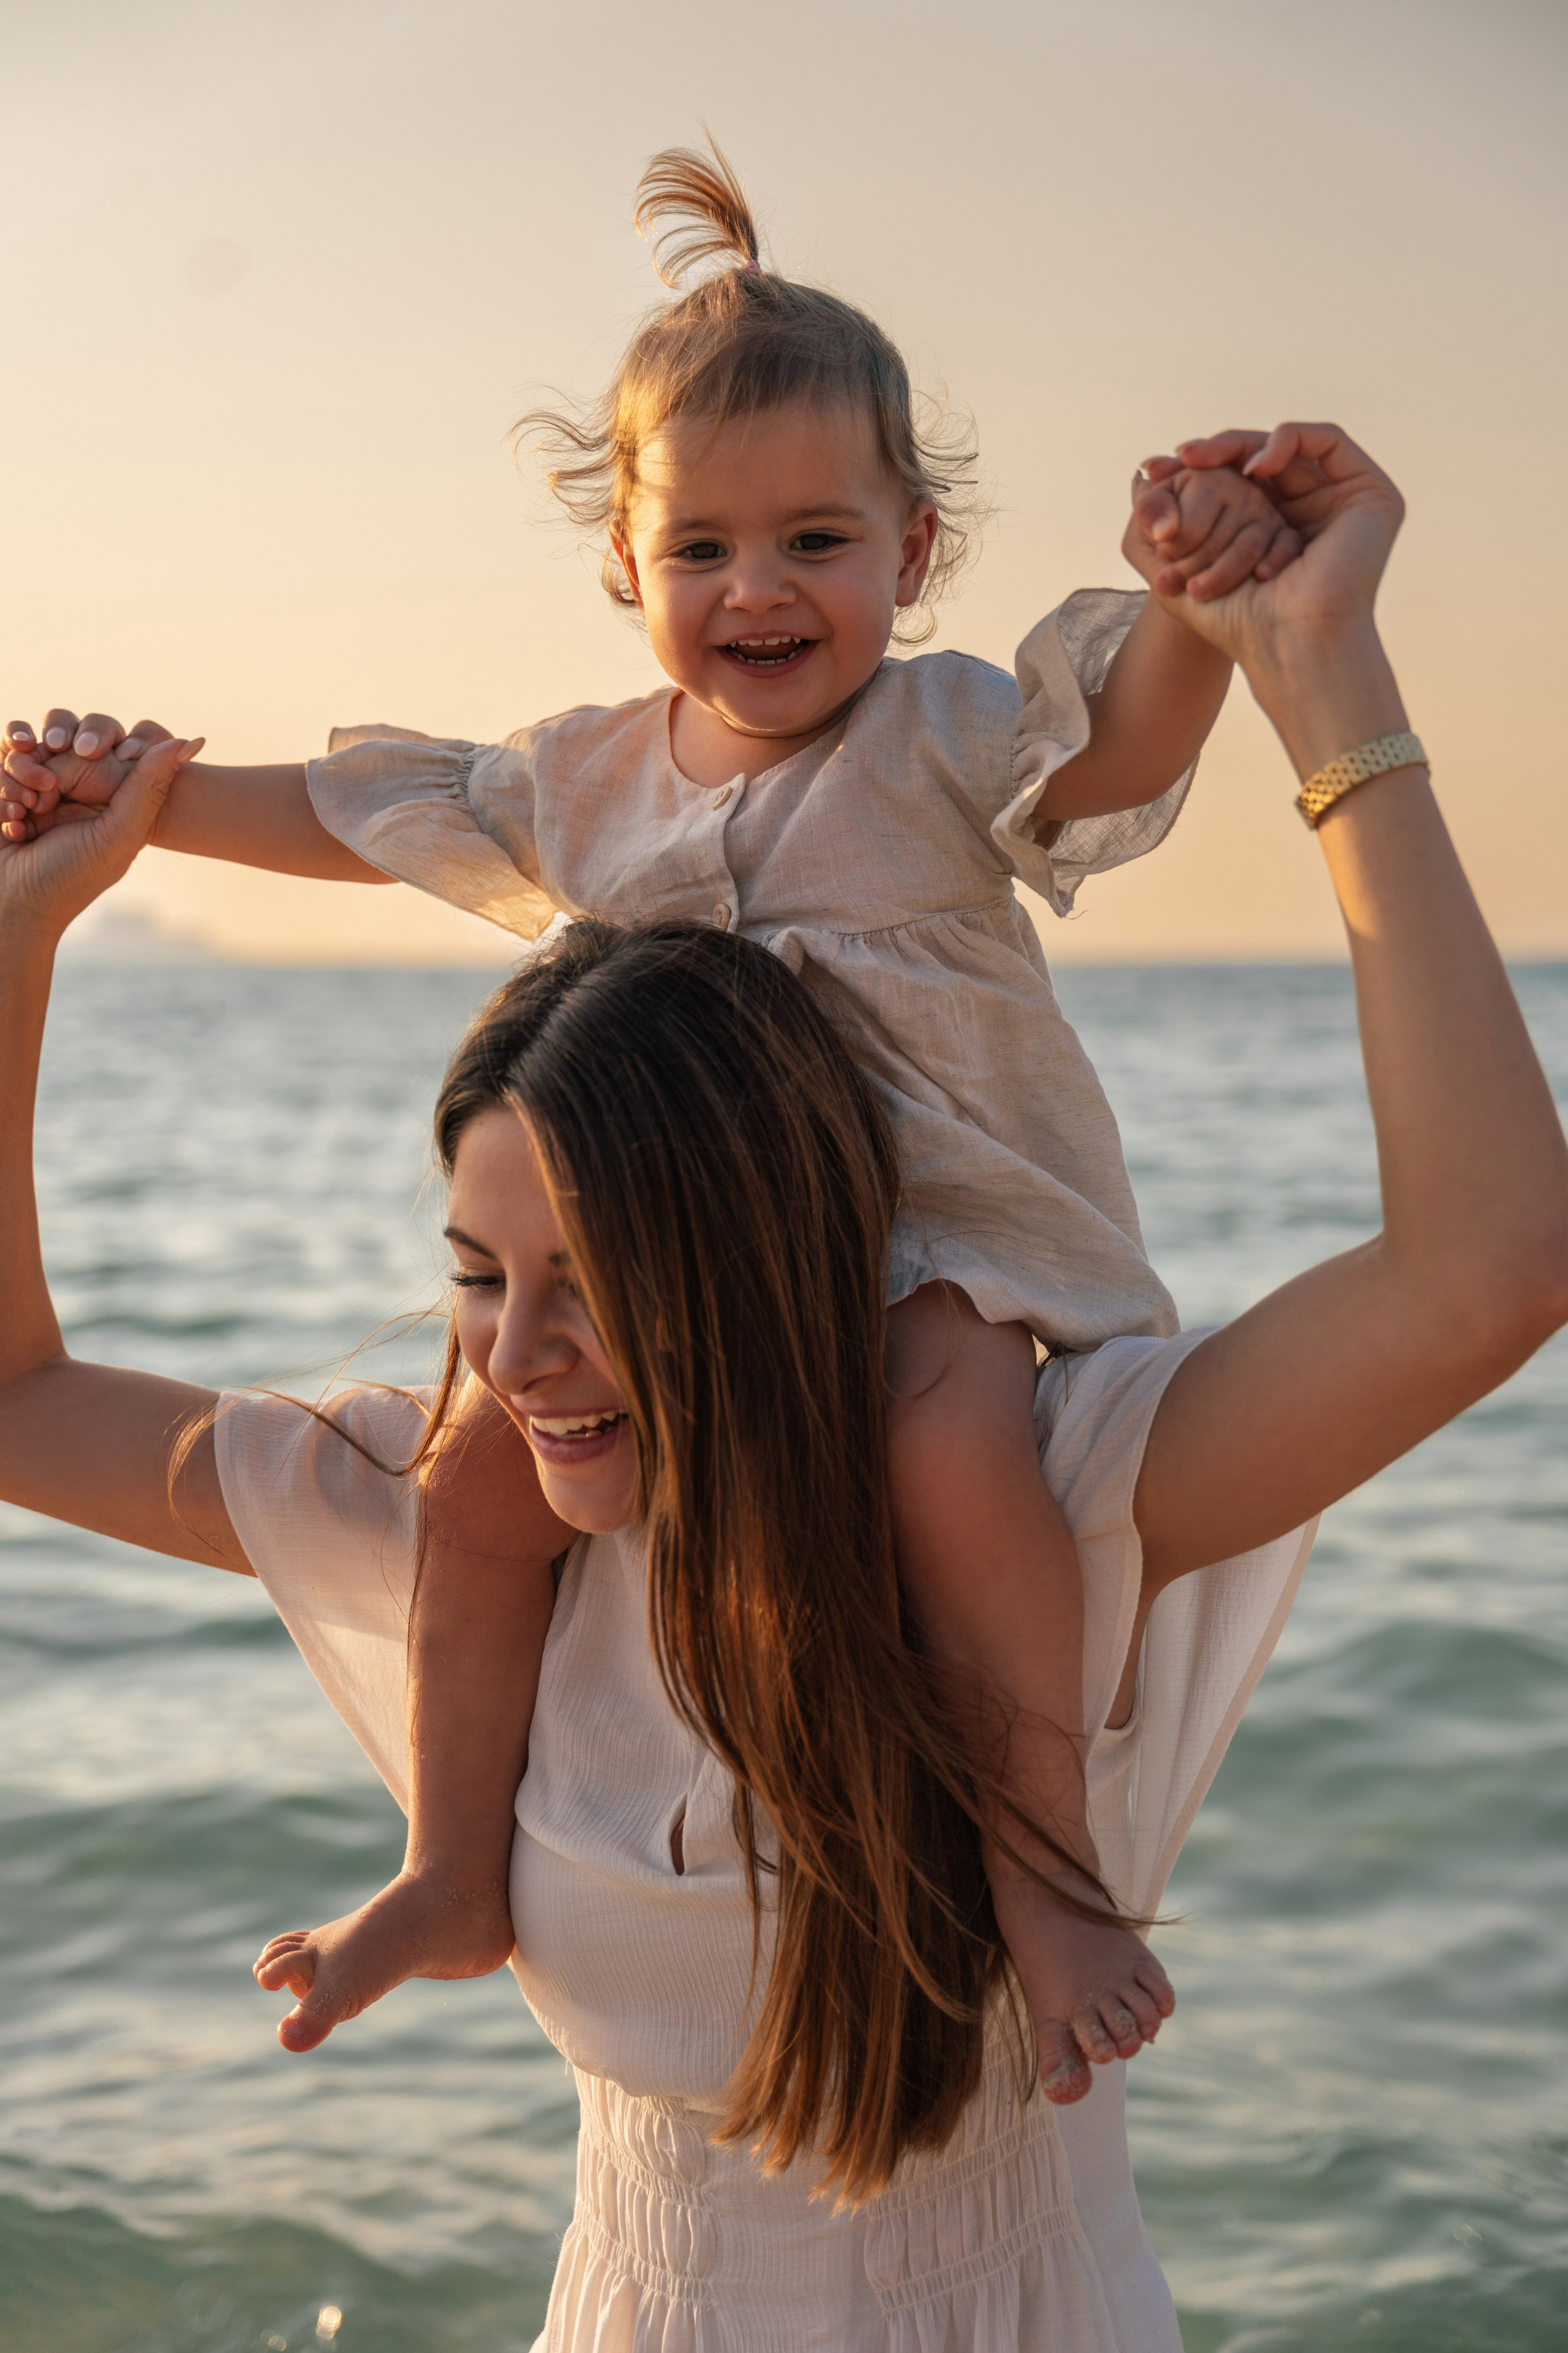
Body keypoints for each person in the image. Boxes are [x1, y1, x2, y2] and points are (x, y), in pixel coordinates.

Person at [2, 418, 1564, 2345]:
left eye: (600, 1283)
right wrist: (27, 933)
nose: (512, 1356)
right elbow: (14, 1396)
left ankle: (1042, 1867)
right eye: (478, 1277)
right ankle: (441, 1870)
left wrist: (1317, 668)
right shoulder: (479, 1504)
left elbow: (1489, 1267)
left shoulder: (1037, 1485)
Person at [0, 142, 1307, 2095]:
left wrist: (1200, 603)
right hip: (671, 1275)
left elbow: (1121, 746)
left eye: (815, 541)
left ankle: (1045, 1866)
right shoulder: (585, 779)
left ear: (913, 549)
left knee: (951, 1455)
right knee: (466, 1486)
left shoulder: (941, 737)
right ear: (626, 560)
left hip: (933, 1238)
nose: (756, 590)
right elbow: (356, 816)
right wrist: (140, 803)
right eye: (701, 548)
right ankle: (453, 1862)